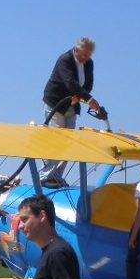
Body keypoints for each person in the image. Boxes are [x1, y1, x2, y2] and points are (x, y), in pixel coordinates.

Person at [39, 37, 102, 188]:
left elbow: (88, 84)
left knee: (68, 142)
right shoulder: (65, 59)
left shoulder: (89, 63)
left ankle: (57, 177)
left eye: (88, 55)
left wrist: (82, 96)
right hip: (55, 103)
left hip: (72, 105)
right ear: (77, 50)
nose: (85, 58)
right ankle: (46, 176)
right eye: (83, 54)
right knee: (55, 139)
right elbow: (69, 82)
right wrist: (88, 99)